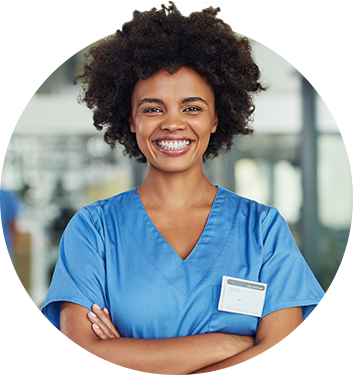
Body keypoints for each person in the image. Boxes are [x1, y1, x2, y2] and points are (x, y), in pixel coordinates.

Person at [41, 2, 330, 374]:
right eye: (152, 108)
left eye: (192, 108)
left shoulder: (262, 230)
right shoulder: (94, 231)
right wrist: (224, 345)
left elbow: (279, 363)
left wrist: (133, 361)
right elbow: (89, 362)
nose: (173, 124)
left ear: (215, 118)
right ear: (130, 119)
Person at [0, 187, 19, 342]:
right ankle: (3, 335)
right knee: (3, 296)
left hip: (3, 252)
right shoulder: (6, 196)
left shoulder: (6, 195)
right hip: (3, 250)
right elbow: (13, 226)